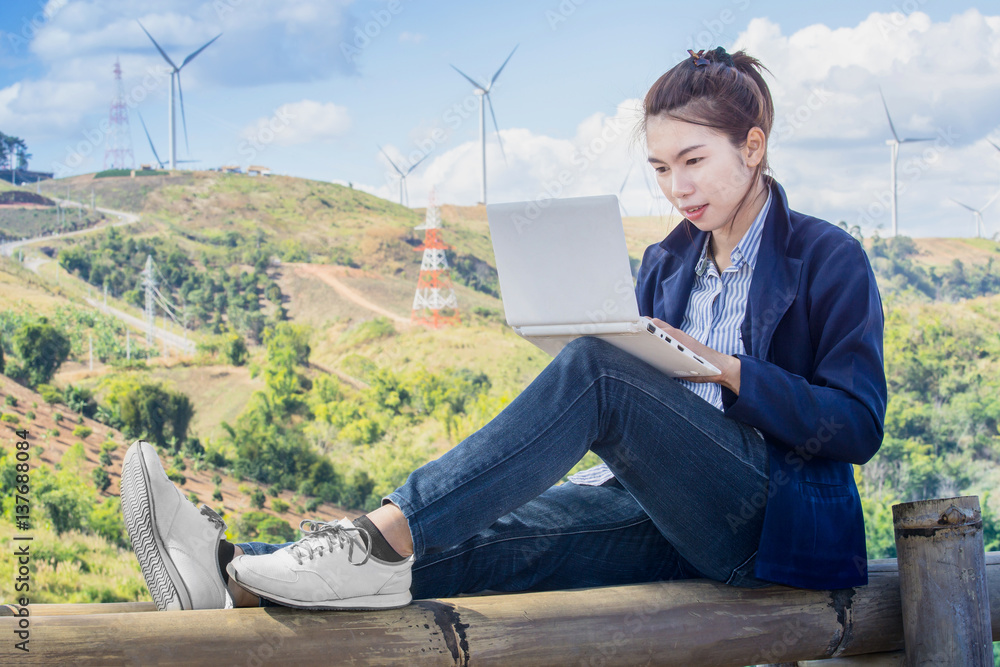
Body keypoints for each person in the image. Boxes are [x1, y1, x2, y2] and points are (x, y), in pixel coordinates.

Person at [120, 46, 886, 612]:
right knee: (500, 532)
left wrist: (724, 370)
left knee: (597, 368)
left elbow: (856, 424)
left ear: (753, 146)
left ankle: (376, 534)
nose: (676, 186)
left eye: (693, 160)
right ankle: (227, 574)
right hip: (666, 508)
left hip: (774, 523)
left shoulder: (825, 257)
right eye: (658, 167)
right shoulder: (668, 260)